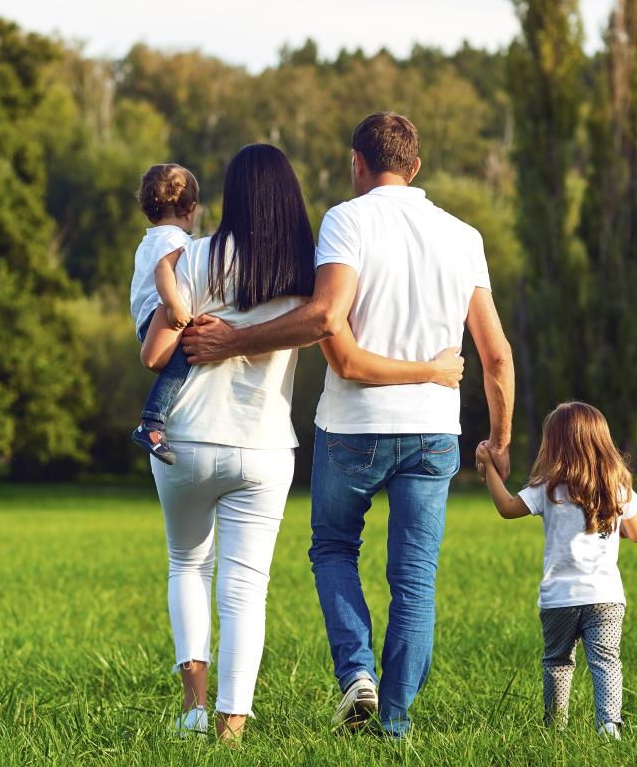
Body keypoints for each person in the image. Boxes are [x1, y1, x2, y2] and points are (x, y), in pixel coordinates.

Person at [181, 112, 515, 737]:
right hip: (434, 431)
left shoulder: (347, 220)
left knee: (334, 548)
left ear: (356, 162)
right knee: (414, 579)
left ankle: (357, 676)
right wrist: (498, 440)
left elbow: (326, 317)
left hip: (353, 427)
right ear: (416, 168)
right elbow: (495, 354)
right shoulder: (463, 235)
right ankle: (394, 724)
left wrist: (232, 341)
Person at [475, 401, 637, 740]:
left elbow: (508, 509)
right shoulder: (616, 486)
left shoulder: (548, 487)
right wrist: (612, 523)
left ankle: (555, 728)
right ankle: (609, 727)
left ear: (553, 443)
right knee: (606, 661)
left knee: (557, 662)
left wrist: (489, 470)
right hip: (606, 598)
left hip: (559, 599)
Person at [129, 163, 200, 465]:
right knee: (186, 355)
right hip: (159, 316)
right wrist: (173, 304)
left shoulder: (151, 239)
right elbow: (163, 271)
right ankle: (153, 422)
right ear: (191, 208)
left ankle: (158, 421)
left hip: (144, 321)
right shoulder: (176, 240)